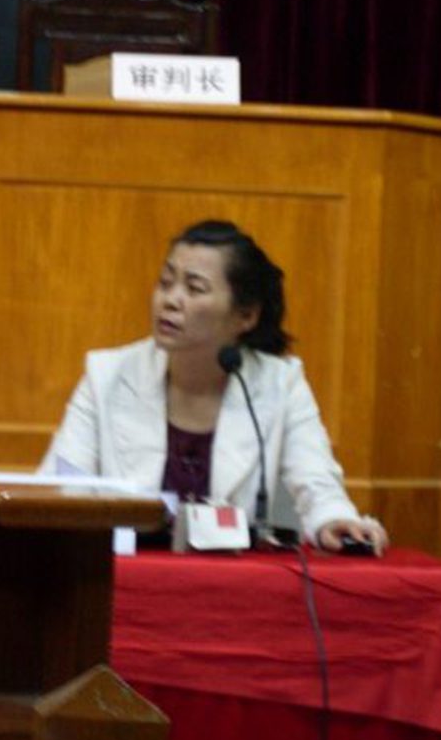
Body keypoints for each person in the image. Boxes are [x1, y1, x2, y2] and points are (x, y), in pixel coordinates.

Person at [39, 219, 388, 554]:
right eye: (165, 282)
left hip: (233, 581)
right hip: (122, 576)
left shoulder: (280, 384)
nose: (170, 300)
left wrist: (334, 521)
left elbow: (317, 484)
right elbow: (61, 489)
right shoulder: (107, 375)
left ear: (245, 316)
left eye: (194, 288)